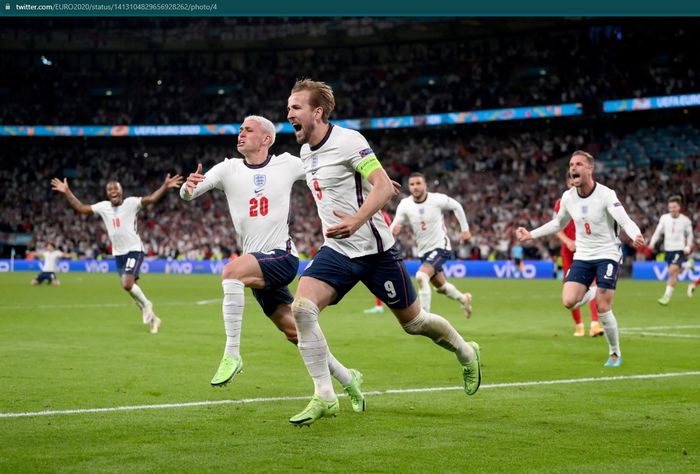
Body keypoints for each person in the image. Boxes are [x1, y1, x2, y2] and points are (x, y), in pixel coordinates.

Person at [286, 79, 481, 427]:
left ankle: (467, 352)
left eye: (296, 108)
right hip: (338, 250)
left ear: (318, 112)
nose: (289, 114)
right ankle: (325, 395)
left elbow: (382, 185)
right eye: (288, 108)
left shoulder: (349, 140)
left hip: (376, 251)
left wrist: (359, 218)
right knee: (301, 309)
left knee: (416, 323)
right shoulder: (305, 153)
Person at [179, 115, 364, 411]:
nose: (240, 134)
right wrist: (188, 187)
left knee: (231, 271)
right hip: (259, 266)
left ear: (266, 139)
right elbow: (190, 194)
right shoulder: (227, 168)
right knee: (296, 334)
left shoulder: (288, 163)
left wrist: (366, 178)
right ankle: (348, 378)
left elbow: (324, 172)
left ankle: (232, 354)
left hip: (281, 257)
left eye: (248, 130)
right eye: (239, 129)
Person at [516, 150, 644, 367]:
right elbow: (558, 224)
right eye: (571, 164)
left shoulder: (606, 194)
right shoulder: (568, 197)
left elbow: (625, 220)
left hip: (607, 253)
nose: (573, 167)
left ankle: (615, 353)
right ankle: (597, 289)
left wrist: (636, 234)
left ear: (589, 169)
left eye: (578, 164)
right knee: (568, 301)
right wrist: (531, 234)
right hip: (583, 255)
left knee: (603, 306)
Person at [50, 173, 183, 333]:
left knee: (127, 284)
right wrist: (67, 191)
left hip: (134, 250)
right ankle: (154, 320)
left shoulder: (131, 203)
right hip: (118, 254)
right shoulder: (103, 207)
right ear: (107, 193)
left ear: (121, 191)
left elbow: (152, 199)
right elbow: (81, 208)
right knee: (134, 291)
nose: (112, 190)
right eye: (109, 189)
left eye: (115, 188)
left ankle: (148, 304)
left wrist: (165, 186)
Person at [389, 172, 473, 317]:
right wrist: (394, 230)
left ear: (425, 185)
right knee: (441, 287)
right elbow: (395, 225)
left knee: (421, 276)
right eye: (412, 184)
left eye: (418, 183)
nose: (415, 187)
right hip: (423, 251)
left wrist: (465, 229)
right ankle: (463, 298)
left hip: (441, 246)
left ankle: (424, 317)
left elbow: (457, 206)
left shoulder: (437, 199)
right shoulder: (405, 205)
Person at [554, 172, 603, 337]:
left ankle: (595, 324)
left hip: (586, 250)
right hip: (568, 251)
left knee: (594, 285)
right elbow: (556, 227)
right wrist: (567, 241)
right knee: (570, 289)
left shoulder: (591, 202)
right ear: (568, 184)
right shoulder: (562, 203)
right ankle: (579, 325)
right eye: (571, 181)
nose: (574, 184)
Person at [647, 195, 693, 304]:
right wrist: (652, 243)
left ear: (679, 207)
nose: (672, 209)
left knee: (671, 270)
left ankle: (666, 297)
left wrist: (688, 246)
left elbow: (690, 235)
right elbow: (658, 231)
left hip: (679, 249)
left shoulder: (685, 220)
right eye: (670, 207)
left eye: (674, 207)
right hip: (668, 250)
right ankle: (687, 265)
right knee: (674, 274)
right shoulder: (664, 218)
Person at [363, 210, 392, 314]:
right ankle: (379, 305)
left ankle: (382, 305)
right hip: (375, 251)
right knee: (376, 280)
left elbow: (388, 231)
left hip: (380, 252)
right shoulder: (374, 214)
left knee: (381, 280)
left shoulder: (382, 215)